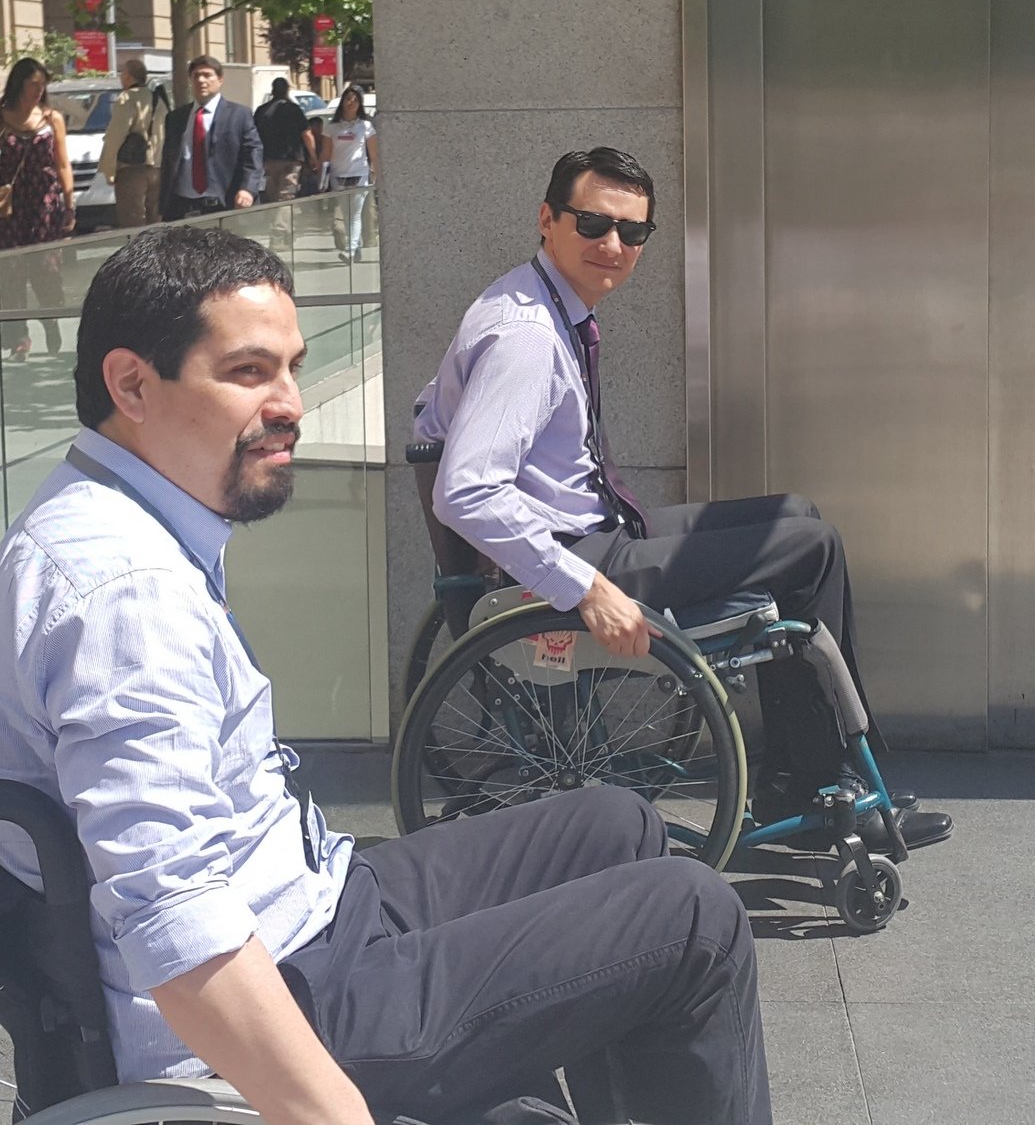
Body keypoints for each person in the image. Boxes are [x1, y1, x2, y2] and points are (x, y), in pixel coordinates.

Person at [0, 225, 771, 1125]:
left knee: (619, 824)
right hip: (299, 989)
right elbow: (176, 922)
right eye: (249, 372)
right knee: (692, 918)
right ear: (132, 383)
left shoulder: (110, 519)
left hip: (316, 903)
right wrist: (334, 1113)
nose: (290, 402)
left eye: (291, 366)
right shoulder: (124, 593)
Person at [414, 146, 953, 850]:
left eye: (632, 232)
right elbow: (465, 490)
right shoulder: (526, 337)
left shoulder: (538, 300)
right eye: (593, 223)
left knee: (796, 516)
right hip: (574, 561)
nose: (613, 246)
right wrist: (585, 589)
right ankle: (827, 782)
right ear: (547, 219)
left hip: (592, 534)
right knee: (809, 551)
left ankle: (809, 775)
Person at [0, 57, 74, 360]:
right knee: (12, 271)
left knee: (46, 269)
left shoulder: (51, 117)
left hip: (45, 202)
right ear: (19, 84)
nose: (39, 90)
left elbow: (62, 163)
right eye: (34, 84)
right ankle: (20, 337)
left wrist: (70, 204)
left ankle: (50, 320)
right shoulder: (2, 117)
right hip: (10, 207)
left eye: (43, 85)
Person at [159, 57, 263, 221]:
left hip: (223, 204)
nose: (201, 80)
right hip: (182, 206)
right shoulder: (175, 118)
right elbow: (169, 161)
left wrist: (247, 189)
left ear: (220, 79)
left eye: (207, 75)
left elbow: (253, 154)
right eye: (196, 76)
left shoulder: (239, 115)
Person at [98, 55, 170, 228]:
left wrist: (109, 170)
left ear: (128, 76)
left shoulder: (127, 98)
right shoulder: (158, 99)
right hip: (157, 169)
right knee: (155, 222)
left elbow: (116, 135)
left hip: (131, 169)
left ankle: (137, 255)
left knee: (133, 223)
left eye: (122, 73)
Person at [322, 85, 377, 261]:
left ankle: (351, 250)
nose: (351, 103)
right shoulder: (332, 128)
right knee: (346, 214)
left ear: (360, 103)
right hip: (339, 175)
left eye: (355, 100)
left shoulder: (366, 126)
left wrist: (376, 172)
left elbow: (374, 152)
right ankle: (356, 247)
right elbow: (326, 153)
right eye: (348, 99)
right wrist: (321, 174)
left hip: (359, 174)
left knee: (355, 214)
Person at [253, 78, 316, 204]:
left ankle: (273, 222)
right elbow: (306, 134)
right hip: (291, 160)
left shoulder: (261, 110)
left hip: (268, 160)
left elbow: (253, 136)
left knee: (271, 197)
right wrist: (314, 157)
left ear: (273, 90)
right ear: (287, 90)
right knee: (286, 197)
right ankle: (282, 224)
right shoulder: (294, 109)